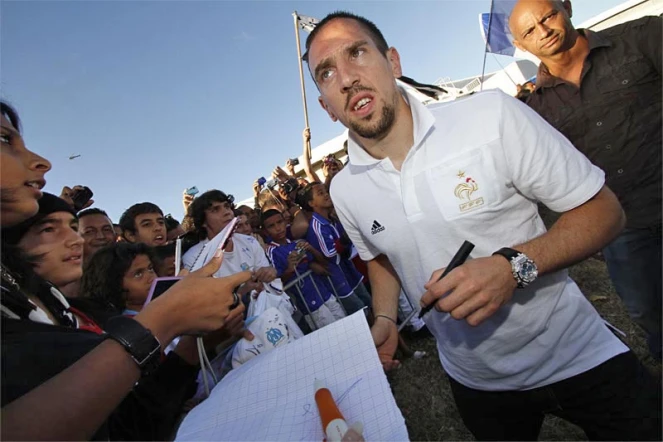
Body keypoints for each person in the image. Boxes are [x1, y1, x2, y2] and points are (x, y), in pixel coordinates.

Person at [303, 11, 660, 441]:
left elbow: (604, 211)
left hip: (576, 351)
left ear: (393, 62)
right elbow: (379, 256)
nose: (346, 79)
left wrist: (514, 268)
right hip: (476, 384)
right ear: (325, 106)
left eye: (357, 53)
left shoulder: (490, 116)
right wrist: (383, 315)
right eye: (326, 73)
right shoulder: (343, 190)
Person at [0, 101, 252, 440]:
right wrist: (163, 321)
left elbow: (128, 423)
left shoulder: (68, 309)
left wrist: (196, 342)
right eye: (4, 140)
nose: (40, 162)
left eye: (73, 227)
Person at [509, 0, 662, 361]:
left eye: (548, 16)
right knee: (646, 309)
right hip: (622, 225)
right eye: (529, 31)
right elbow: (552, 177)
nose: (543, 32)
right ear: (520, 46)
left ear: (567, 7)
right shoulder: (534, 112)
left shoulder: (640, 37)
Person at [263, 209, 345, 329]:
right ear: (266, 231)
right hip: (311, 305)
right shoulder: (271, 252)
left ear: (285, 222)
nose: (278, 228)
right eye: (271, 226)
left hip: (325, 294)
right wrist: (290, 269)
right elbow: (276, 284)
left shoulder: (296, 243)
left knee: (346, 324)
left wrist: (311, 249)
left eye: (280, 222)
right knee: (334, 335)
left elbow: (323, 263)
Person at [302, 183, 367, 315]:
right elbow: (329, 253)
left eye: (326, 191)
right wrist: (344, 239)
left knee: (368, 303)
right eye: (320, 193)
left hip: (350, 271)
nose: (326, 194)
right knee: (360, 314)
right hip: (337, 279)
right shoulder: (317, 226)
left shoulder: (332, 219)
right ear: (311, 203)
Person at [82, 242, 158, 317]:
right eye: (138, 274)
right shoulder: (123, 324)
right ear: (114, 284)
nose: (152, 278)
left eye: (150, 268)